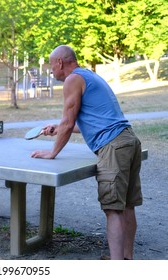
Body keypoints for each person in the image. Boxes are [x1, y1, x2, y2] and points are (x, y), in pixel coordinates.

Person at [31, 45, 142, 260]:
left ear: (60, 63)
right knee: (127, 206)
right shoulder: (90, 76)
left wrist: (52, 152)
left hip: (113, 146)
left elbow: (68, 120)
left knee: (113, 209)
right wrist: (58, 128)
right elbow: (86, 123)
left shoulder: (72, 80)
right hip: (128, 141)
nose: (51, 70)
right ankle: (127, 259)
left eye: (51, 65)